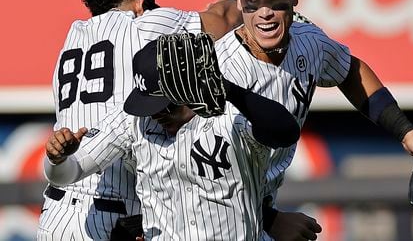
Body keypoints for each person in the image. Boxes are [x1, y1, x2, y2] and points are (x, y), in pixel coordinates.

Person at [214, 0, 413, 239]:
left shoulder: (309, 42)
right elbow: (201, 177)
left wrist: (408, 134)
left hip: (254, 210)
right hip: (211, 219)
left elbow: (350, 71)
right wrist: (270, 220)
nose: (264, 13)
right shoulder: (223, 71)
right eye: (253, 2)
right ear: (240, 3)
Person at [38, 0, 241, 240]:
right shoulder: (145, 23)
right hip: (113, 216)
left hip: (55, 211)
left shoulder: (72, 37)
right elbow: (225, 17)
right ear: (140, 3)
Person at [43, 39, 301, 240]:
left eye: (166, 105)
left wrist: (227, 88)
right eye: (150, 106)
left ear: (189, 86)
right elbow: (69, 173)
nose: (157, 115)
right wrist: (57, 158)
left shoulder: (230, 117)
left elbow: (285, 132)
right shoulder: (135, 120)